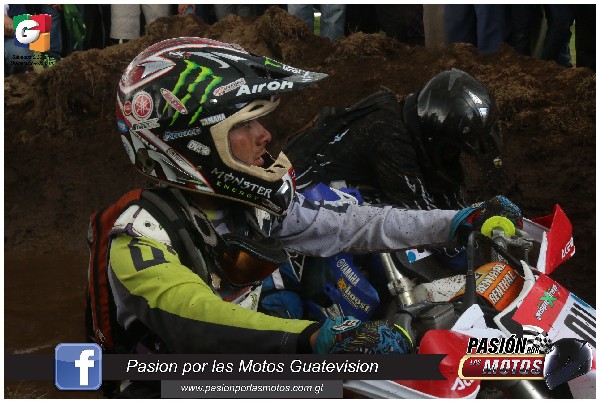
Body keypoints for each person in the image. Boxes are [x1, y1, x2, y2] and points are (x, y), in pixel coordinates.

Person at [108, 37, 522, 396]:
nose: (265, 135)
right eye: (245, 124)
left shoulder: (250, 206)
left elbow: (354, 223)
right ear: (193, 143)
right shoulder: (139, 235)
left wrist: (455, 221)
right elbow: (196, 317)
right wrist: (312, 337)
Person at [288, 68, 503, 211]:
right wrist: (473, 222)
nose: (452, 159)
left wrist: (480, 214)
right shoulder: (388, 134)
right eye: (450, 151)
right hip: (301, 200)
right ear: (435, 136)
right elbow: (422, 218)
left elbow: (450, 206)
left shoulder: (411, 128)